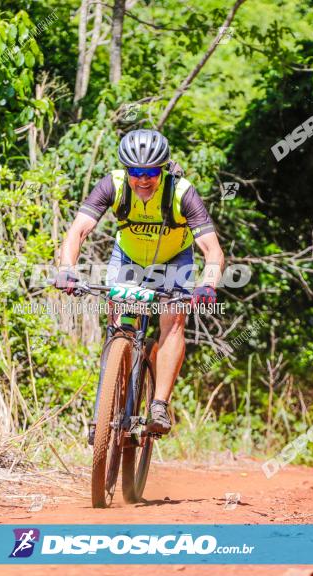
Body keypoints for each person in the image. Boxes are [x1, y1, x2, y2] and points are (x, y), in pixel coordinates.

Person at [54, 129, 224, 439]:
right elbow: (77, 231)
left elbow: (212, 250)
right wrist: (67, 269)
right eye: (136, 172)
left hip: (174, 260)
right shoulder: (113, 185)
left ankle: (159, 404)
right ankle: (107, 405)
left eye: (150, 172)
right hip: (129, 259)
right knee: (120, 323)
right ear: (126, 170)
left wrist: (207, 284)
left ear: (163, 169)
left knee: (173, 322)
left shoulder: (182, 192)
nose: (142, 179)